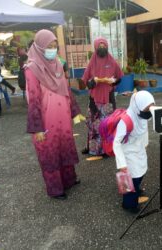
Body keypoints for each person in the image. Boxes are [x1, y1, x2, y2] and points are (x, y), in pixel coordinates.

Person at [26, 29, 83, 200]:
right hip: (46, 121)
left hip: (63, 118)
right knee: (50, 154)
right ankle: (56, 189)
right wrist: (37, 129)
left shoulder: (58, 64)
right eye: (49, 46)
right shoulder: (32, 69)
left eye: (55, 46)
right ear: (39, 47)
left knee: (64, 147)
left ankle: (69, 180)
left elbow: (67, 90)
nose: (52, 49)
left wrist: (74, 111)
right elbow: (34, 100)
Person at [113, 90, 155, 213]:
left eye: (150, 108)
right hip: (128, 154)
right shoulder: (125, 121)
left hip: (139, 149)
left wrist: (145, 144)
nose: (148, 112)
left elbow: (144, 129)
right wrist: (121, 164)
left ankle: (135, 188)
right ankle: (129, 205)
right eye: (146, 109)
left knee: (141, 172)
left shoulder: (141, 115)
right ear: (138, 107)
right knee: (131, 177)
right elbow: (116, 142)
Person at [82, 37, 124, 157]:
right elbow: (87, 83)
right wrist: (94, 81)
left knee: (107, 124)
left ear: (107, 47)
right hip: (94, 100)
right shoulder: (92, 62)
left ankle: (106, 149)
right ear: (95, 48)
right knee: (92, 123)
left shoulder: (112, 61)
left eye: (104, 46)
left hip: (108, 98)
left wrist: (113, 81)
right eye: (99, 46)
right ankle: (91, 147)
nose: (102, 48)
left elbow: (119, 78)